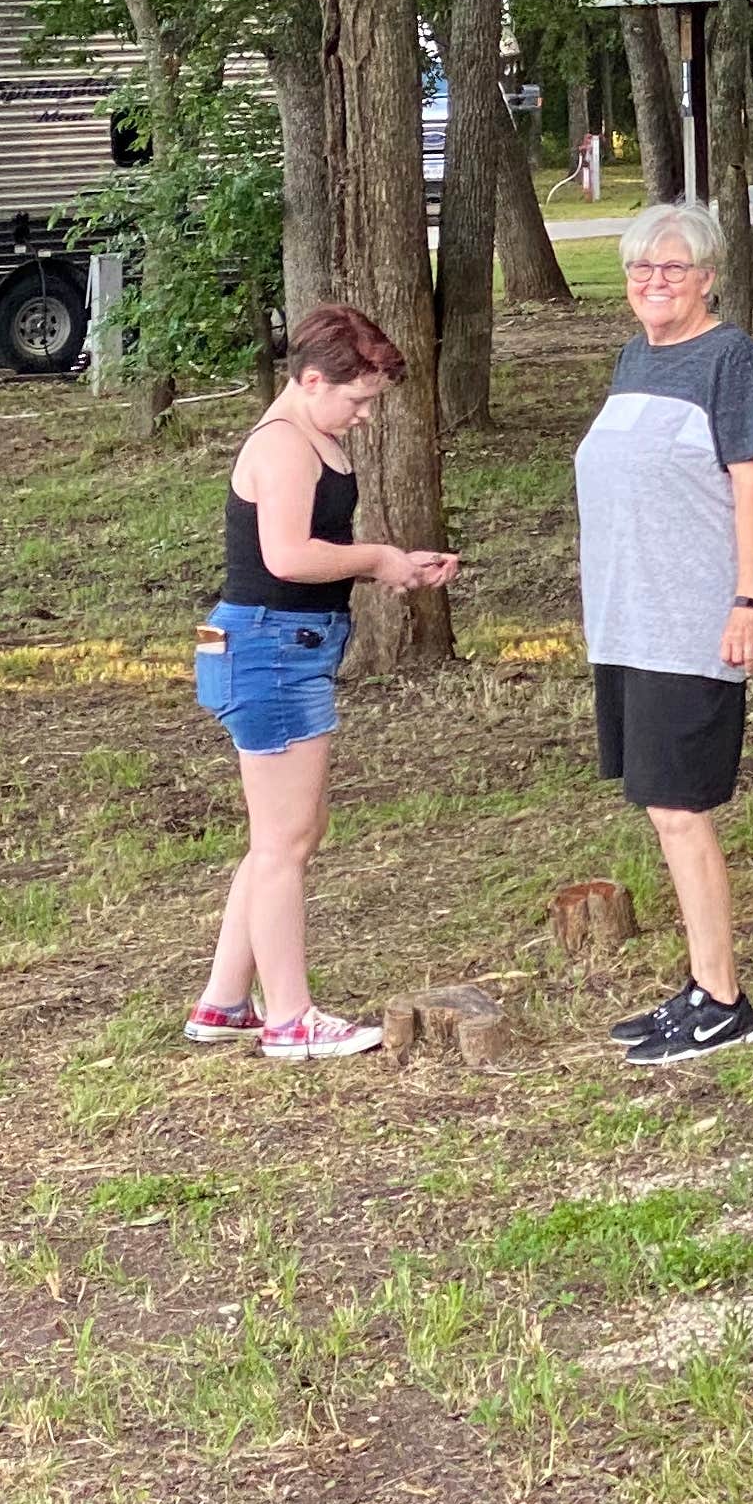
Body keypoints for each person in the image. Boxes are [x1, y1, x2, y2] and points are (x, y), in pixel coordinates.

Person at [187, 304, 459, 1061]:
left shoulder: (312, 434)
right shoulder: (283, 448)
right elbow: (286, 557)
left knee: (279, 838)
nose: (367, 416)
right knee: (286, 842)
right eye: (358, 399)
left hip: (286, 646)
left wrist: (395, 561)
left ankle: (225, 1002)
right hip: (267, 649)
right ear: (311, 381)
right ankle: (291, 1020)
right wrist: (378, 561)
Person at [576, 201, 753, 1063]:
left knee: (679, 809)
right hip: (629, 622)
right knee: (661, 810)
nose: (653, 282)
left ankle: (725, 1001)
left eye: (672, 269)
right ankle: (700, 983)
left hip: (692, 622)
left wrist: (750, 600)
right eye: (639, 269)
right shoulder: (636, 357)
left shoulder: (730, 359)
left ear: (707, 278)